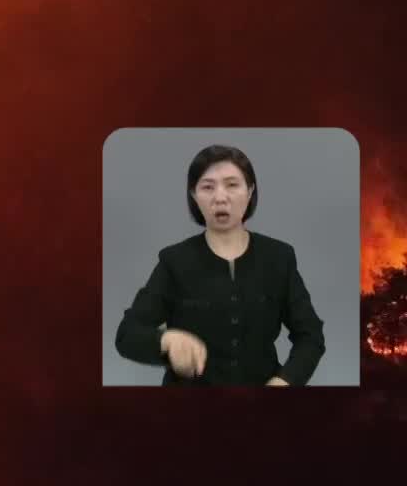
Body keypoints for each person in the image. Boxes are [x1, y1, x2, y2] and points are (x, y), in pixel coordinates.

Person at [114, 144, 326, 385]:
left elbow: (311, 336)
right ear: (194, 195)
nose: (220, 197)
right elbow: (127, 334)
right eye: (207, 187)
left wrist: (285, 381)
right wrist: (166, 341)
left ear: (250, 191)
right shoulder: (174, 261)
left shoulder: (279, 257)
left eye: (232, 185)